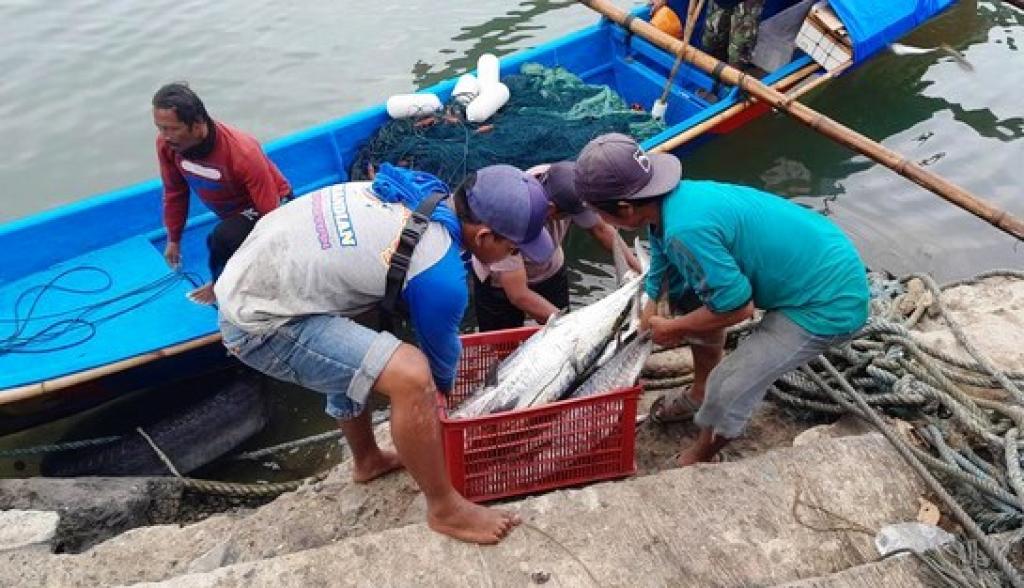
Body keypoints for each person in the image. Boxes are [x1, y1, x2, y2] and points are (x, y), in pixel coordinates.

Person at [213, 163, 550, 544]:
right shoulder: (440, 276)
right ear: (486, 236)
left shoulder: (425, 191)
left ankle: (368, 460)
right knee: (411, 375)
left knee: (364, 351)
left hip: (259, 275)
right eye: (513, 247)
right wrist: (445, 411)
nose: (514, 255)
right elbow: (438, 376)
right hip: (259, 324)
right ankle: (445, 509)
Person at [573, 133, 869, 466]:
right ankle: (698, 392)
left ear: (624, 209)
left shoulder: (685, 230)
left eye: (599, 212)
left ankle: (702, 454)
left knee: (728, 387)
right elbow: (660, 257)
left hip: (828, 302)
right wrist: (651, 303)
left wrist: (674, 329)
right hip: (817, 256)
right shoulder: (669, 205)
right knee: (686, 295)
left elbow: (738, 308)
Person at [152, 82, 292, 304]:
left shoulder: (243, 152)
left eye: (173, 129)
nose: (165, 136)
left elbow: (271, 214)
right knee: (229, 232)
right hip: (233, 211)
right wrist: (174, 239)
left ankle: (222, 284)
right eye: (161, 128)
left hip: (274, 203)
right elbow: (174, 192)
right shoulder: (167, 146)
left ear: (197, 125)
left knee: (222, 237)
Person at [470, 163, 642, 331]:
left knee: (561, 329)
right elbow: (518, 295)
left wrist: (639, 270)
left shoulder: (563, 181)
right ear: (550, 208)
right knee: (503, 345)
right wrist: (571, 327)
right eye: (570, 215)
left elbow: (601, 229)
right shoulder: (511, 217)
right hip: (500, 281)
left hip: (549, 268)